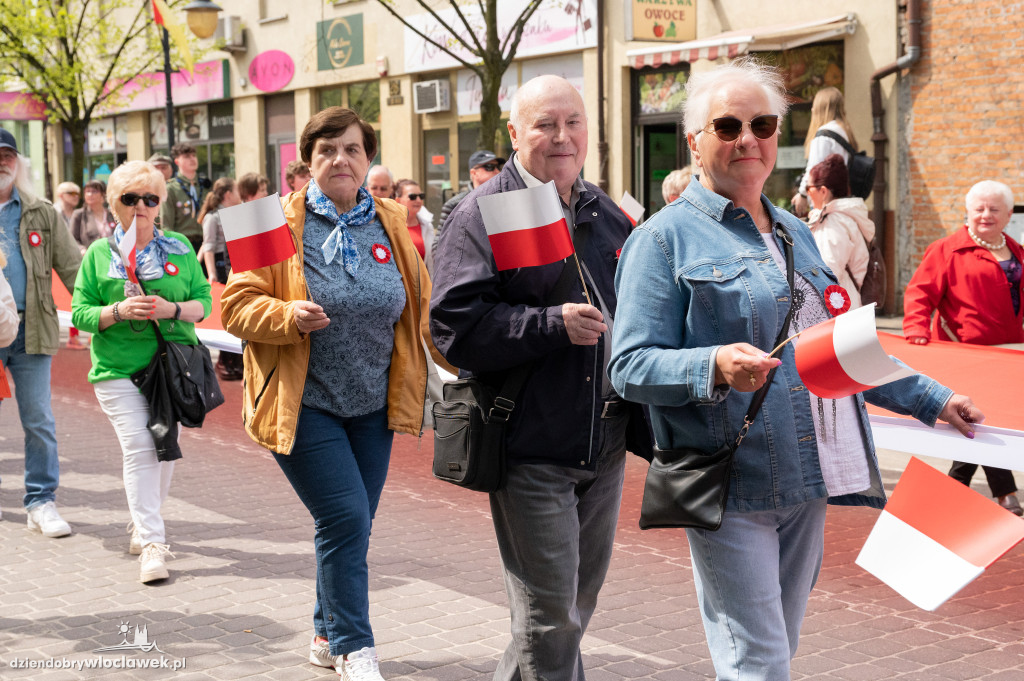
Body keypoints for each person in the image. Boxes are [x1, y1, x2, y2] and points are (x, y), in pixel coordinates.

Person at [608, 58, 981, 681]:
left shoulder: (794, 231)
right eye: (727, 126)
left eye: (761, 125)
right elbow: (629, 366)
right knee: (758, 662)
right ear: (695, 140)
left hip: (809, 477)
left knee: (777, 649)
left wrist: (932, 399)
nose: (747, 139)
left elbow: (838, 346)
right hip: (731, 479)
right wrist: (715, 364)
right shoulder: (663, 239)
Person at [430, 75, 651, 681]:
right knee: (550, 618)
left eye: (573, 123)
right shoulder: (483, 212)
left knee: (571, 607)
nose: (562, 137)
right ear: (514, 132)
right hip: (532, 442)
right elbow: (453, 331)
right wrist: (551, 324)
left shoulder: (606, 211)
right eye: (545, 125)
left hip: (605, 441)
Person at [221, 106, 450, 681]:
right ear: (307, 161)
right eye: (327, 150)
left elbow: (422, 306)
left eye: (352, 149)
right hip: (303, 404)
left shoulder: (392, 219)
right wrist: (286, 316)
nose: (340, 159)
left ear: (368, 158)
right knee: (345, 517)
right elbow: (235, 306)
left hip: (374, 404)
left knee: (351, 524)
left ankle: (325, 634)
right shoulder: (268, 219)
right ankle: (354, 647)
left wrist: (469, 359)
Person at [70, 160, 212, 583]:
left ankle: (142, 521)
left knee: (165, 449)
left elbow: (204, 303)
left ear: (160, 203)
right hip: (118, 370)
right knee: (141, 446)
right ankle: (152, 542)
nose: (141, 207)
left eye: (150, 198)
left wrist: (172, 309)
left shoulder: (180, 248)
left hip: (171, 369)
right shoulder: (100, 254)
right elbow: (80, 313)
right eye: (130, 198)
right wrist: (117, 311)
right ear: (114, 205)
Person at [903, 180, 1024, 515]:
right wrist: (916, 329)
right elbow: (920, 292)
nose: (986, 215)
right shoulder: (946, 250)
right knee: (976, 419)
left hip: (1008, 355)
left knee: (985, 420)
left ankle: (962, 490)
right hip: (965, 355)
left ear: (1008, 215)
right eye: (979, 209)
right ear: (968, 213)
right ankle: (1002, 494)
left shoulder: (1016, 251)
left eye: (994, 209)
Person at [0, 127, 82, 536]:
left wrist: (107, 309)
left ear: (18, 161)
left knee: (38, 420)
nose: (2, 162)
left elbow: (74, 269)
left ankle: (41, 501)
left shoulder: (41, 212)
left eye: (7, 155)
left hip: (31, 330)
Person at [806, 153, 873, 309]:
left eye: (809, 188)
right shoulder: (846, 217)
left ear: (823, 191)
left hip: (837, 308)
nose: (807, 194)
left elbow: (828, 272)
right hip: (847, 303)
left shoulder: (833, 222)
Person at [197, 177, 243, 381]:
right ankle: (225, 361)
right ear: (228, 194)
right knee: (225, 313)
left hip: (232, 259)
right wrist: (212, 274)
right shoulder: (213, 217)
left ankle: (236, 360)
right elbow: (208, 246)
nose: (240, 195)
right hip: (219, 264)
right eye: (236, 191)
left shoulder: (235, 213)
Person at [792, 87, 856, 217]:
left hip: (824, 201)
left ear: (820, 108)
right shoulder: (845, 132)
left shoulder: (824, 134)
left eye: (814, 106)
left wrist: (802, 194)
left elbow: (814, 169)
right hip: (840, 200)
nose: (812, 109)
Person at [436, 150, 504, 234]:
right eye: (490, 167)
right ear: (474, 173)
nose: (497, 171)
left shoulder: (504, 200)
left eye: (498, 167)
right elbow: (440, 240)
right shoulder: (455, 204)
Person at [160, 143, 209, 255]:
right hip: (183, 245)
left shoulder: (205, 186)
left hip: (206, 244)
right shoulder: (171, 189)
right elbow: (166, 225)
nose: (192, 159)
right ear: (177, 161)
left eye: (193, 155)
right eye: (187, 156)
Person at [394, 179, 434, 274]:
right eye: (412, 197)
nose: (418, 200)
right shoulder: (391, 227)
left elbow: (431, 264)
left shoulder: (428, 226)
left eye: (421, 196)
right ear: (398, 200)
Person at [70, 180, 117, 252]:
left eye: (94, 191)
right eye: (87, 191)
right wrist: (82, 249)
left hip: (112, 254)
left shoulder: (112, 214)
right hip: (90, 254)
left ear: (103, 194)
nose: (90, 194)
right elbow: (72, 239)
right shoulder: (79, 214)